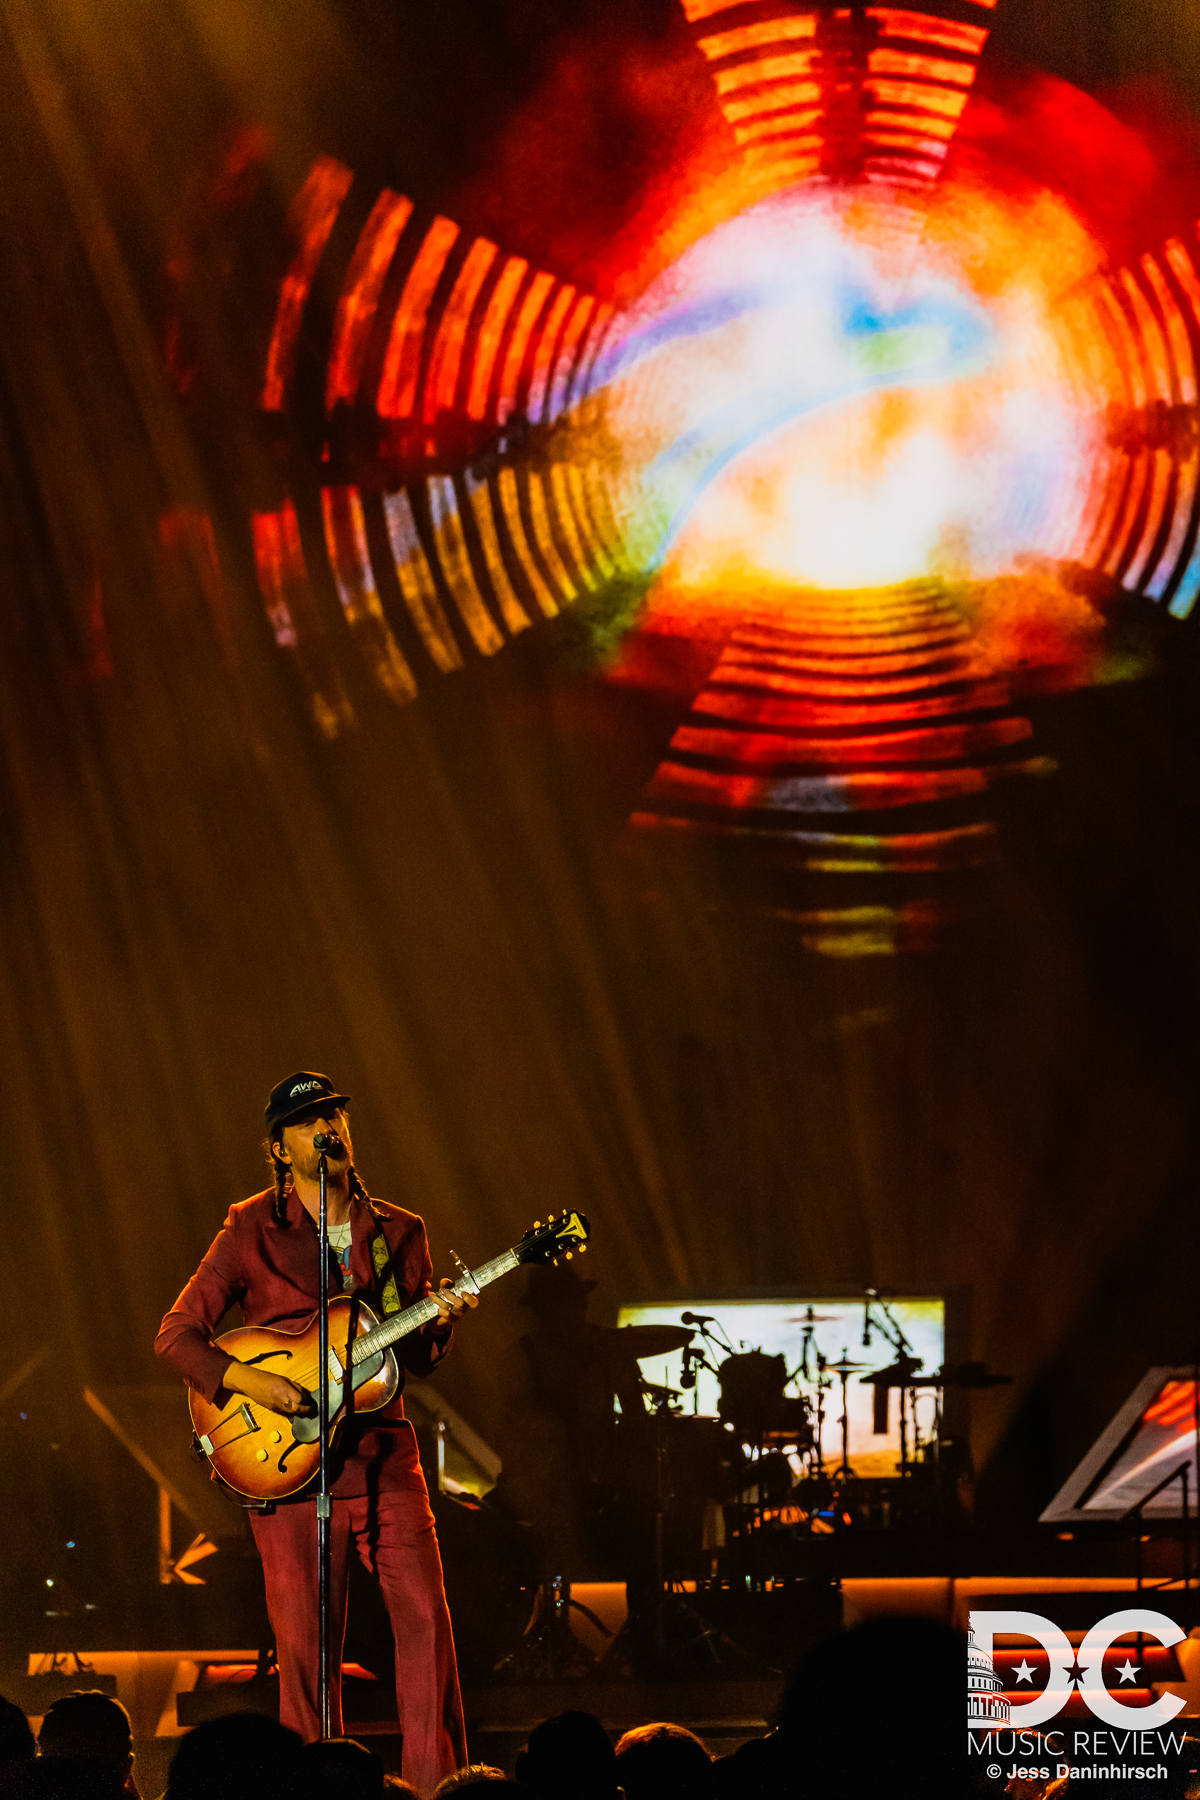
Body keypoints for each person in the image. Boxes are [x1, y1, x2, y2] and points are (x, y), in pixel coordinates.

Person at [155, 1071, 477, 1795]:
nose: (327, 1128)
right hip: (288, 1463)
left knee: (426, 1625)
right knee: (304, 1652)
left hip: (383, 1455)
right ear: (280, 1147)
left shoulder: (398, 1230)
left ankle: (438, 1788)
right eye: (308, 1122)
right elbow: (176, 1336)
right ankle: (309, 1791)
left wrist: (440, 1321)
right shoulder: (250, 1227)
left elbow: (414, 1359)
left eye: (335, 1116)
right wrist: (258, 1385)